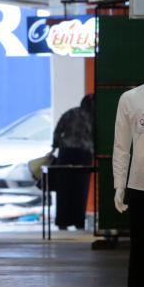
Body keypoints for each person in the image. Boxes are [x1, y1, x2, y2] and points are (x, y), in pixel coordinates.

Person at [49, 93, 95, 230]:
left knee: (63, 188)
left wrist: (55, 145)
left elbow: (58, 130)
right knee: (81, 188)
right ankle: (78, 221)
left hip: (66, 153)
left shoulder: (70, 113)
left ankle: (62, 221)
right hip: (84, 154)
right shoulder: (93, 117)